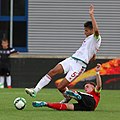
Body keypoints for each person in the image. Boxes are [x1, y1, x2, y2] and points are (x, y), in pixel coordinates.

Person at [25, 4, 102, 103]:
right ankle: (35, 90)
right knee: (53, 71)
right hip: (72, 59)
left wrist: (91, 15)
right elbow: (93, 56)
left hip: (79, 65)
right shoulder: (89, 40)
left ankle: (71, 97)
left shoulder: (96, 38)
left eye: (86, 30)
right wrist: (92, 55)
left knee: (61, 86)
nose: (84, 32)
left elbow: (97, 31)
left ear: (91, 30)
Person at [32, 64, 102, 111]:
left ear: (93, 86)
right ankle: (44, 103)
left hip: (91, 103)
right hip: (87, 108)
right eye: (85, 87)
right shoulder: (86, 96)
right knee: (66, 106)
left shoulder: (95, 93)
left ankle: (76, 95)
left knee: (76, 93)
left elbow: (99, 85)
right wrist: (62, 102)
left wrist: (97, 73)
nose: (85, 88)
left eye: (87, 86)